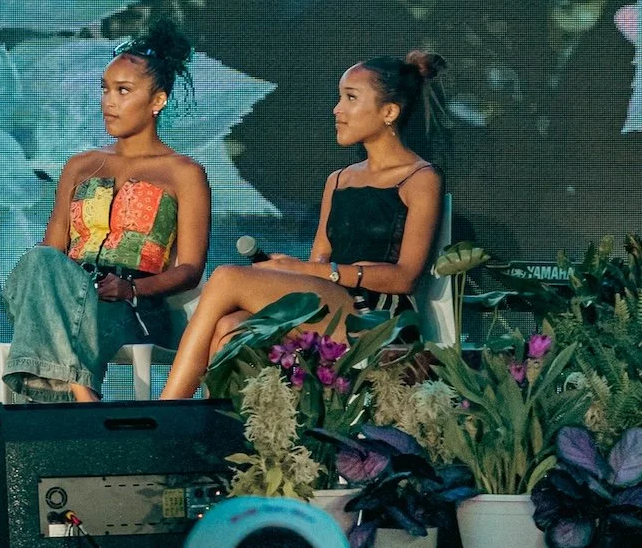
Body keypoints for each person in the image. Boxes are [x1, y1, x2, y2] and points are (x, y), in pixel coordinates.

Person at [159, 51, 449, 400]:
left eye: (351, 98)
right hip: (332, 302)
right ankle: (221, 436)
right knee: (230, 328)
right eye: (340, 97)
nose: (337, 109)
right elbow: (318, 262)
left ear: (389, 112)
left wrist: (310, 270)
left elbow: (405, 277)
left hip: (378, 318)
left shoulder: (421, 178)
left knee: (226, 278)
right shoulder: (339, 180)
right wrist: (288, 270)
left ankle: (168, 411)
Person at [0, 20, 212, 402]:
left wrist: (132, 288)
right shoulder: (80, 166)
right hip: (70, 293)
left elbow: (190, 269)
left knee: (56, 304)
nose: (108, 101)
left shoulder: (184, 173)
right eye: (105, 89)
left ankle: (65, 404)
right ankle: (85, 401)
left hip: (136, 307)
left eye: (123, 90)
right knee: (37, 262)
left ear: (157, 101)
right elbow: (52, 252)